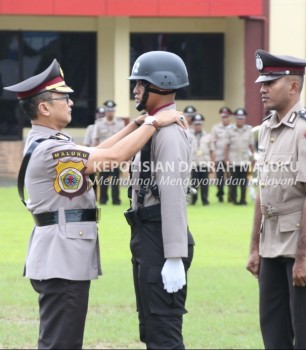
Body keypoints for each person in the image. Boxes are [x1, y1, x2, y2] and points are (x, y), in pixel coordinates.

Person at [4, 58, 185, 349]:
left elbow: (99, 150)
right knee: (61, 343)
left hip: (60, 254)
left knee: (63, 339)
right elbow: (112, 159)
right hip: (61, 257)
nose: (71, 103)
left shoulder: (50, 141)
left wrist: (136, 124)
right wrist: (152, 122)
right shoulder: (52, 147)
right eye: (63, 98)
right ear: (44, 107)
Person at [246, 49, 306, 349]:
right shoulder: (267, 130)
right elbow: (264, 191)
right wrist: (254, 248)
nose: (262, 89)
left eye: (270, 83)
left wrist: (303, 257)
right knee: (273, 330)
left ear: (294, 87)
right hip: (273, 243)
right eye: (262, 82)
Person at [125, 50, 195, 349]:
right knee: (151, 329)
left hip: (160, 238)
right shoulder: (153, 126)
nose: (135, 90)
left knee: (163, 333)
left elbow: (173, 196)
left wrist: (175, 255)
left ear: (161, 84)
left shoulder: (168, 134)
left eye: (140, 83)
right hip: (146, 234)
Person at [92, 100, 125, 205]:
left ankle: (116, 200)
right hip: (102, 156)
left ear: (114, 111)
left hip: (115, 156)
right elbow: (96, 140)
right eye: (108, 111)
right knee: (103, 179)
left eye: (112, 111)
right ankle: (103, 199)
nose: (110, 113)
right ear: (106, 111)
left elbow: (124, 140)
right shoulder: (99, 123)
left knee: (115, 179)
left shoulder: (120, 123)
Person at [225, 108, 255, 205]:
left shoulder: (249, 130)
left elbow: (251, 145)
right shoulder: (230, 130)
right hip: (233, 160)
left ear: (245, 119)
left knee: (243, 182)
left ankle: (243, 200)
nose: (240, 120)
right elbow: (227, 146)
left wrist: (253, 158)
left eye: (242, 118)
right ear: (235, 119)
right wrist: (227, 159)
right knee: (233, 182)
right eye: (238, 118)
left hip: (244, 160)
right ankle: (234, 200)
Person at [211, 106, 234, 202]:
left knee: (231, 178)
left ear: (230, 117)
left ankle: (230, 196)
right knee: (220, 178)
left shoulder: (234, 128)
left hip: (231, 158)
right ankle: (220, 196)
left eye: (227, 116)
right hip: (219, 157)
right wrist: (213, 158)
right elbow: (212, 143)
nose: (225, 118)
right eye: (223, 117)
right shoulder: (216, 128)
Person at [191, 113, 213, 206]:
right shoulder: (189, 135)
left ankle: (205, 200)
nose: (198, 126)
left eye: (199, 124)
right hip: (193, 164)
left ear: (202, 125)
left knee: (204, 184)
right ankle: (194, 200)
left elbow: (212, 151)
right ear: (193, 125)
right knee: (194, 183)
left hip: (204, 163)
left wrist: (212, 164)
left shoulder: (208, 136)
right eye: (196, 124)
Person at [83, 106, 106, 196]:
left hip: (104, 156)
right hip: (93, 157)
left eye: (103, 114)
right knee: (92, 179)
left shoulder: (106, 127)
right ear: (96, 115)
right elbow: (86, 144)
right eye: (99, 114)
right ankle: (94, 196)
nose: (101, 116)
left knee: (104, 179)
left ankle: (104, 198)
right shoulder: (91, 128)